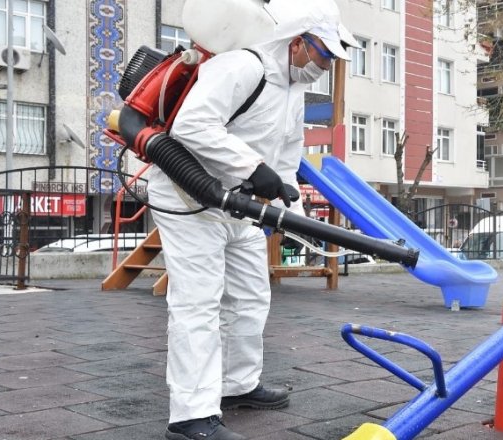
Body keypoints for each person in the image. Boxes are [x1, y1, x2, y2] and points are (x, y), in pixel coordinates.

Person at [147, 2, 357, 439]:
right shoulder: (244, 67)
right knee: (198, 303)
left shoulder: (292, 91)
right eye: (322, 55)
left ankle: (236, 384)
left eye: (331, 59)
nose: (325, 65)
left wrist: (292, 215)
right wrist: (251, 167)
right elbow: (191, 125)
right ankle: (190, 416)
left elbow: (284, 160)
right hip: (188, 199)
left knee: (250, 296)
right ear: (297, 42)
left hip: (236, 206)